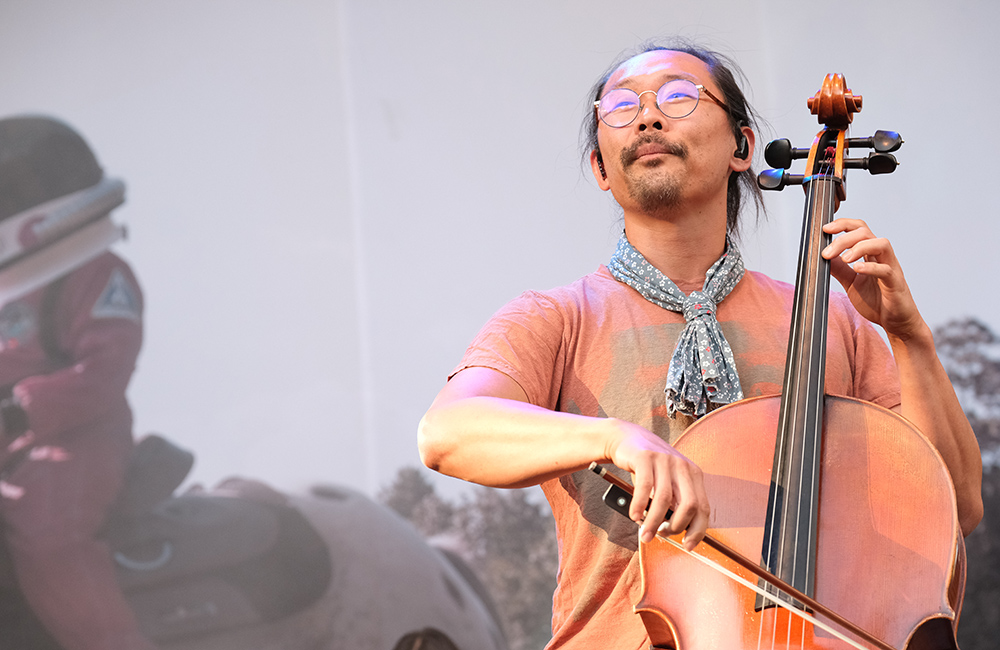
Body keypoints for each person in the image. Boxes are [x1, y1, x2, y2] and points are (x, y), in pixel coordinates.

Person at [417, 41, 984, 649]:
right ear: (601, 169)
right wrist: (613, 438)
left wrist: (908, 336)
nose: (647, 117)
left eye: (678, 96)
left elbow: (953, 505)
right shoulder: (555, 318)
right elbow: (447, 433)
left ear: (742, 146)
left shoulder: (830, 321)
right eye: (621, 106)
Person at [0, 115, 155, 650]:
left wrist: (23, 409)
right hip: (10, 444)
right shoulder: (11, 290)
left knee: (47, 531)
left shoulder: (99, 272)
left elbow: (106, 370)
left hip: (78, 439)